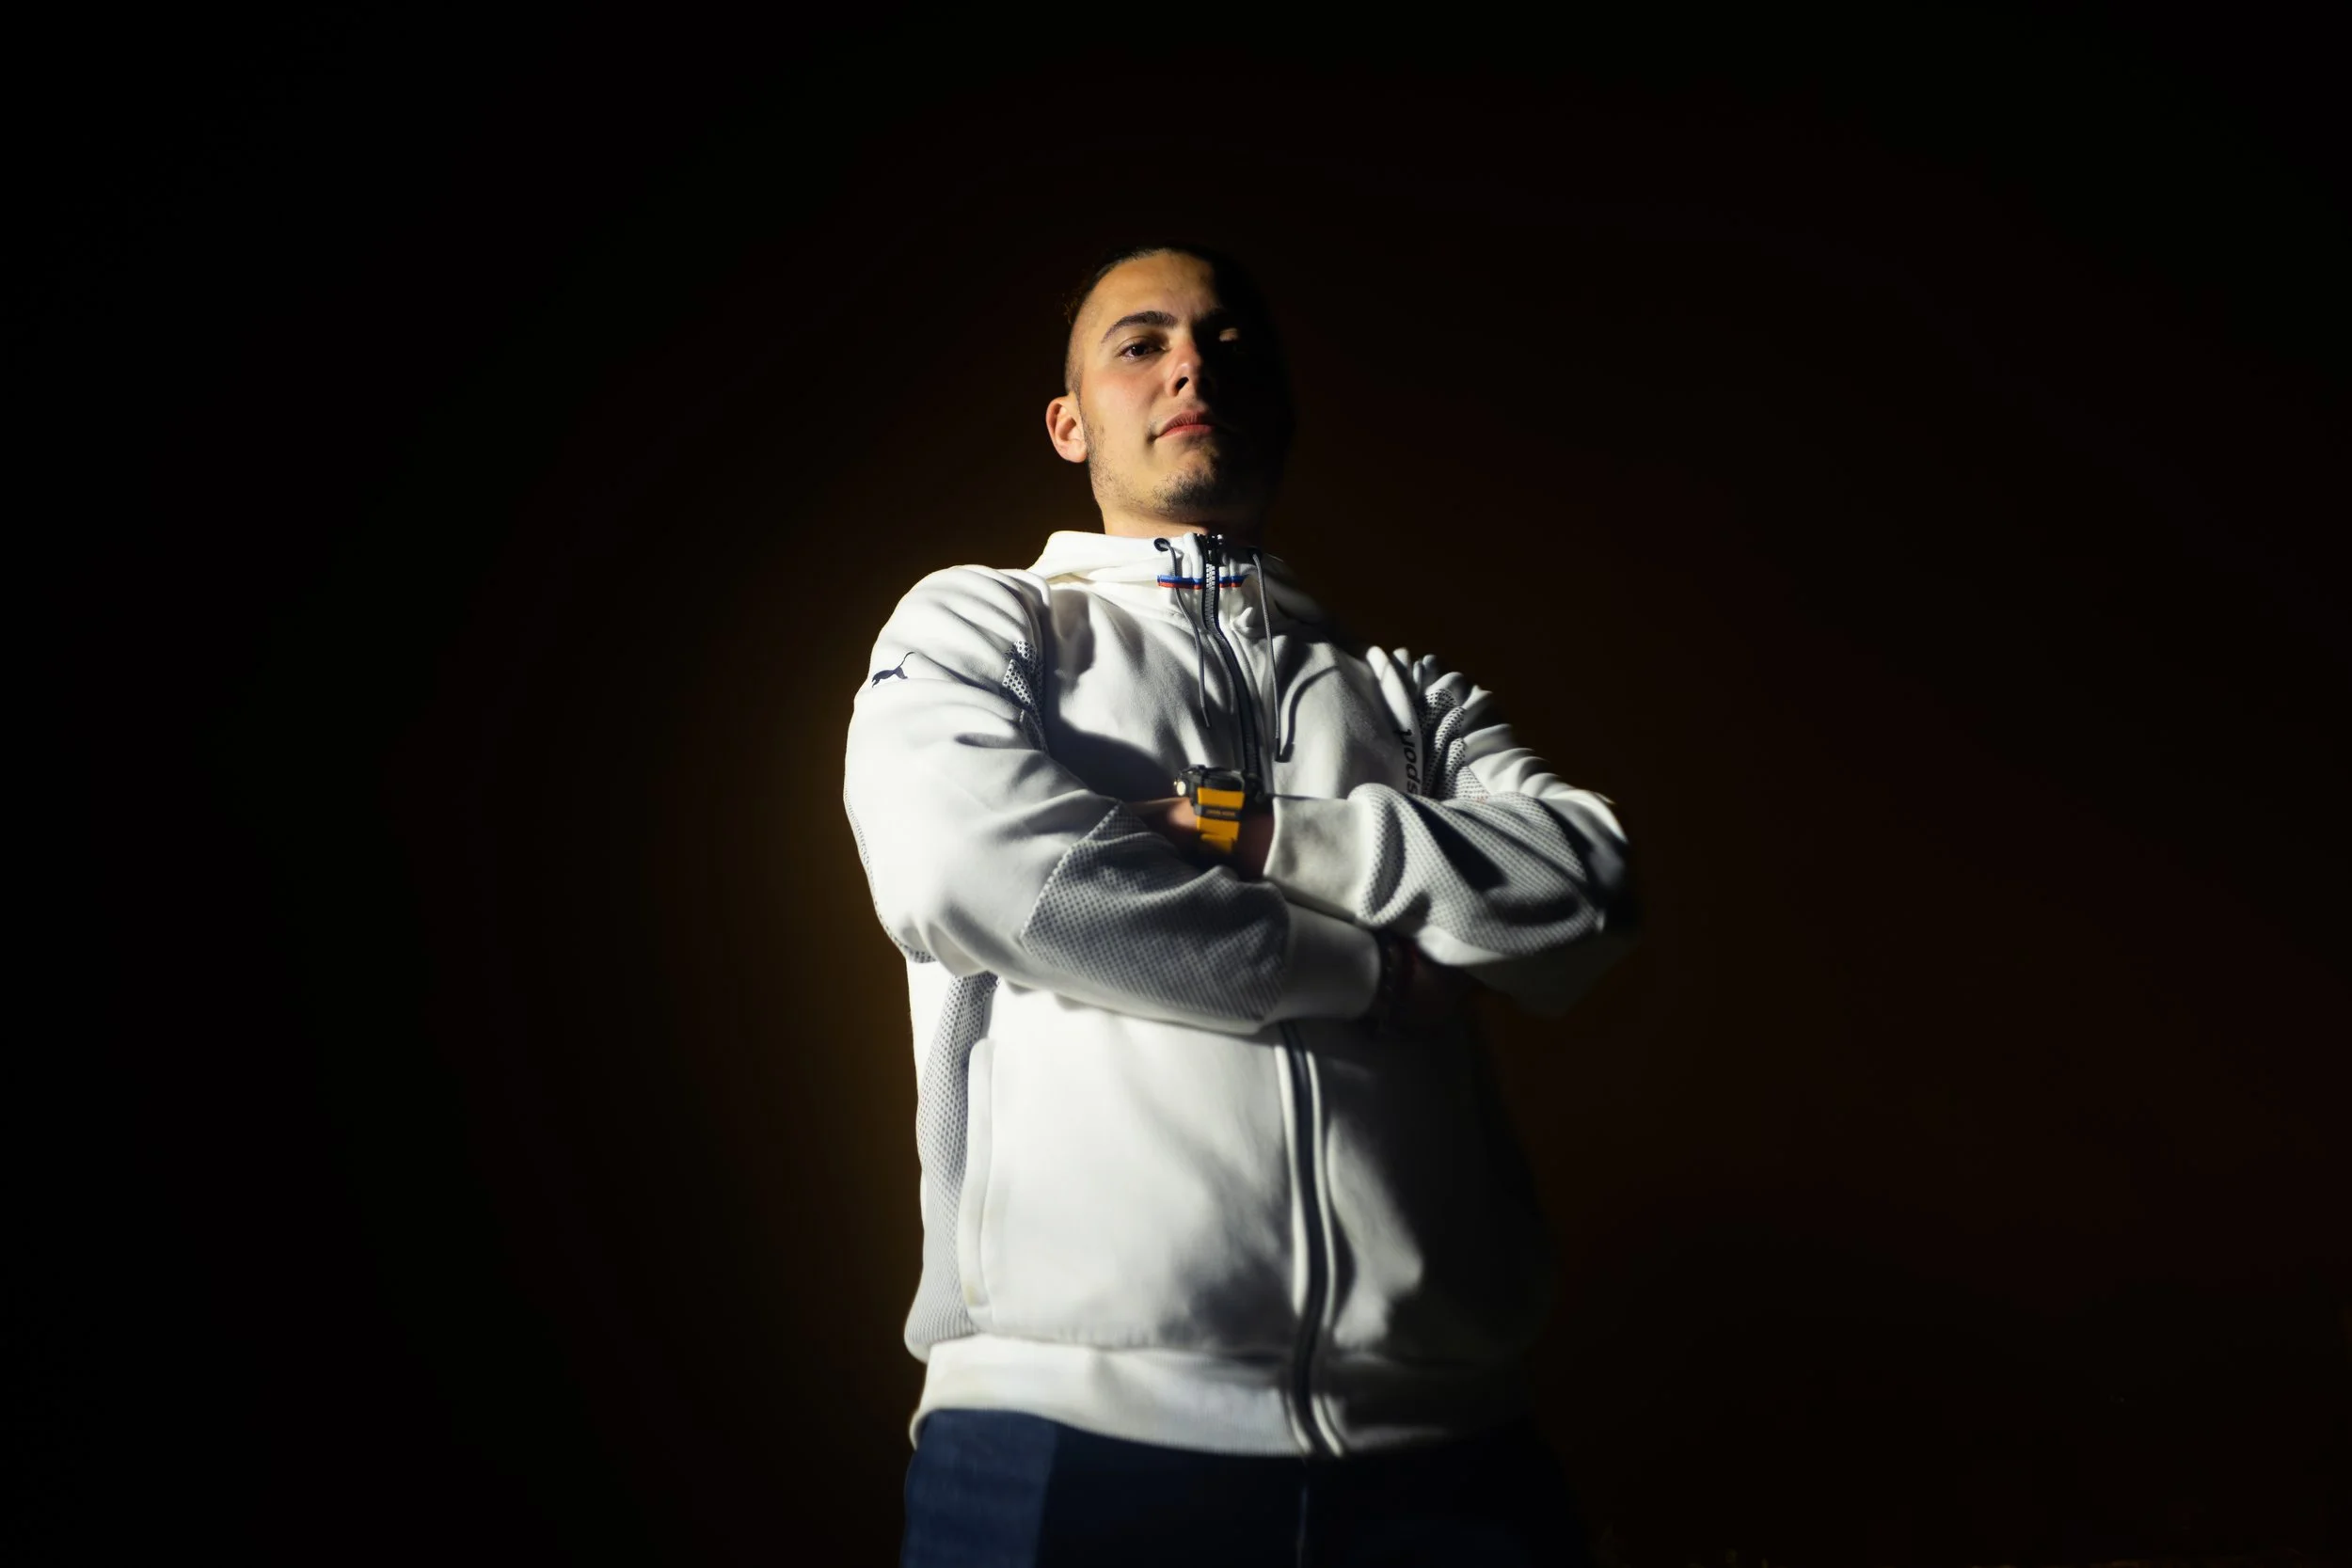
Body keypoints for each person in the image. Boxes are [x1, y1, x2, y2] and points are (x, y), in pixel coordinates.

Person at [843, 243, 1639, 1566]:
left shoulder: (1404, 694)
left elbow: (1587, 884)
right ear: (1070, 419)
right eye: (1140, 343)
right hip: (1065, 1444)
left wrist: (1249, 826)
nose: (1189, 367)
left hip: (1449, 1460)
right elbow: (965, 865)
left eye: (1225, 343)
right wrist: (1365, 974)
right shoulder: (987, 626)